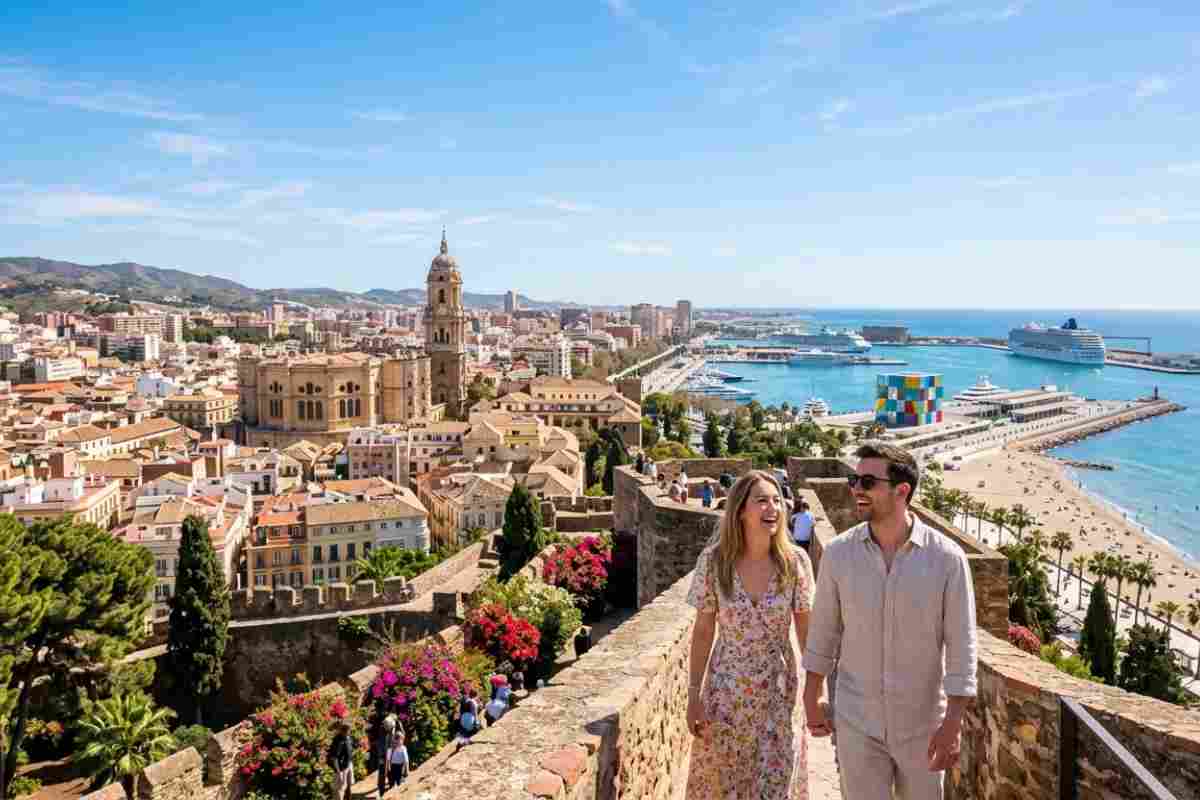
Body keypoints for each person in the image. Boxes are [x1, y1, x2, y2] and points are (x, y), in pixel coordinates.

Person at [803, 442, 978, 800]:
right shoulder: (839, 555)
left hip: (923, 725)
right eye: (854, 480)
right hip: (857, 722)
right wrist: (812, 693)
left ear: (902, 491)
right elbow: (824, 632)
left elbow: (962, 646)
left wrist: (954, 723)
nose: (855, 489)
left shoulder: (947, 560)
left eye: (867, 482)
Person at [685, 470, 815, 798]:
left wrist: (816, 692)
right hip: (725, 694)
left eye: (776, 500)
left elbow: (806, 630)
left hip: (778, 689)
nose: (773, 507)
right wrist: (692, 696)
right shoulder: (714, 562)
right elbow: (703, 631)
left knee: (776, 785)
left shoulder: (795, 562)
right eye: (761, 501)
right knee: (726, 785)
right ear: (741, 510)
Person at [328, 722, 355, 800]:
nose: (350, 732)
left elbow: (350, 750)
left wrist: (350, 764)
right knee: (339, 790)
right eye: (348, 730)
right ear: (343, 731)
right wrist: (339, 772)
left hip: (349, 764)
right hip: (341, 768)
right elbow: (334, 758)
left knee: (349, 786)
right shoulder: (338, 741)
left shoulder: (348, 738)